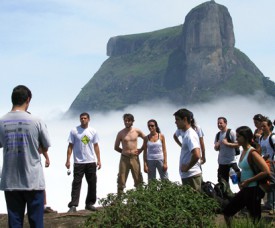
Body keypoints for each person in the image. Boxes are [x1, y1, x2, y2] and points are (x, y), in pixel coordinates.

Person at [0, 85, 51, 227]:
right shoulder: (36, 121)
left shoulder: (1, 121)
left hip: (11, 181)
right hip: (33, 180)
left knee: (14, 222)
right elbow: (45, 145)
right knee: (36, 222)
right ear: (28, 100)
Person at [223, 126, 269, 227]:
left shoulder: (252, 152)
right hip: (246, 189)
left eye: (239, 136)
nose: (236, 139)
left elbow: (266, 171)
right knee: (227, 212)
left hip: (254, 190)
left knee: (255, 220)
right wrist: (238, 175)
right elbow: (247, 168)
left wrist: (249, 180)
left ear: (246, 137)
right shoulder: (243, 151)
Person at [65, 112, 101, 213]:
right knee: (76, 183)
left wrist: (99, 160)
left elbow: (96, 146)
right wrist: (68, 159)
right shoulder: (74, 131)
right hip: (78, 162)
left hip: (91, 161)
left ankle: (89, 203)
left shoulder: (93, 131)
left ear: (88, 119)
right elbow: (70, 146)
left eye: (85, 118)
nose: (83, 120)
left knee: (92, 183)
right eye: (81, 118)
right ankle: (73, 205)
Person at [114, 113, 145, 194]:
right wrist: (124, 151)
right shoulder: (121, 133)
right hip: (124, 158)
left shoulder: (137, 131)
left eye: (129, 121)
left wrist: (141, 149)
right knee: (121, 178)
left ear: (132, 121)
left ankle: (140, 199)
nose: (127, 122)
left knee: (138, 178)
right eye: (125, 121)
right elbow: (116, 147)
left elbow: (146, 139)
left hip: (135, 157)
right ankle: (119, 199)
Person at [173, 108, 202, 191]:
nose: (175, 122)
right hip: (189, 175)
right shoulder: (186, 133)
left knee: (194, 200)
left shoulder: (190, 135)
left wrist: (187, 168)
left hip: (191, 175)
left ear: (185, 119)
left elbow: (196, 155)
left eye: (177, 119)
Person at [214, 117, 240, 183]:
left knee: (238, 181)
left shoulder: (231, 132)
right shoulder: (218, 135)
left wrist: (227, 144)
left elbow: (238, 144)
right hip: (222, 162)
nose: (219, 125)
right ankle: (226, 193)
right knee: (223, 183)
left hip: (231, 162)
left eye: (221, 123)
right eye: (218, 123)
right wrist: (216, 147)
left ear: (225, 123)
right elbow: (215, 148)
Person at [258, 116, 275, 214]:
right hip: (264, 163)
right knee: (268, 183)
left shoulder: (272, 137)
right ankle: (269, 204)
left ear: (269, 126)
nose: (262, 128)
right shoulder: (261, 138)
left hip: (271, 163)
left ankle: (272, 205)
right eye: (261, 126)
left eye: (264, 126)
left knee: (272, 183)